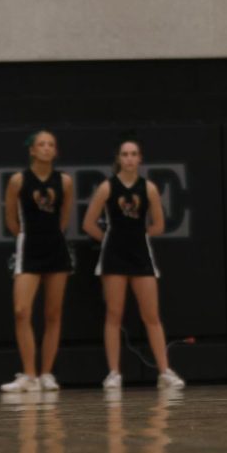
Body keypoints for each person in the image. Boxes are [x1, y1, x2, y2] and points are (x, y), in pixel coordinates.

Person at [82, 139, 185, 390]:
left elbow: (159, 225)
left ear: (140, 159)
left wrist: (138, 236)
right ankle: (114, 372)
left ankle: (164, 371)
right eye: (125, 154)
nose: (129, 158)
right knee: (114, 314)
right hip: (114, 256)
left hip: (140, 255)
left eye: (134, 154)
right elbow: (88, 223)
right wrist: (111, 240)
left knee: (151, 315)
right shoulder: (107, 188)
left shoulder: (148, 188)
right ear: (119, 158)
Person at [0, 131, 74, 393]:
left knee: (53, 314)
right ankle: (29, 375)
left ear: (55, 151)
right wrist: (25, 237)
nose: (45, 148)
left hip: (55, 249)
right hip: (29, 248)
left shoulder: (64, 182)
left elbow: (64, 218)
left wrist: (52, 236)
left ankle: (46, 374)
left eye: (50, 144)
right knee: (21, 310)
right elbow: (10, 218)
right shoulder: (18, 180)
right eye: (41, 144)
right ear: (32, 150)